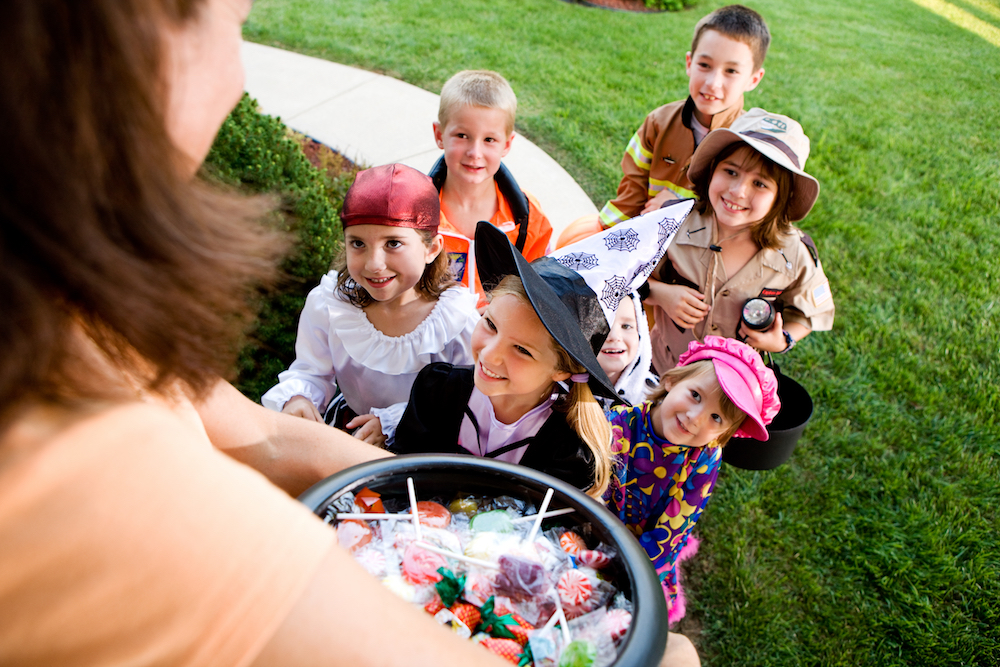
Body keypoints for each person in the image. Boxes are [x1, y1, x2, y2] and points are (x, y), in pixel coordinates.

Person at [0, 1, 509, 665]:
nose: (238, 81)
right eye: (235, 20)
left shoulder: (61, 307)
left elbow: (260, 434)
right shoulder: (87, 470)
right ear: (138, 43)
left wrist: (447, 510)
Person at [391, 201, 693, 498]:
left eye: (522, 349)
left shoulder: (570, 451)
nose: (491, 354)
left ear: (564, 368)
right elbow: (398, 483)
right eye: (491, 325)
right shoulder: (437, 390)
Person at [261, 164, 479, 445]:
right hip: (351, 432)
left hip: (424, 447)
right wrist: (299, 396)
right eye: (358, 244)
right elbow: (311, 371)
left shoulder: (456, 321)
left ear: (431, 249)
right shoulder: (330, 305)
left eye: (393, 243)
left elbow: (468, 403)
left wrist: (397, 420)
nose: (375, 264)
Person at [557, 4, 769, 246]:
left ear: (753, 79)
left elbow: (738, 215)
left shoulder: (748, 143)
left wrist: (674, 207)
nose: (713, 83)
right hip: (647, 237)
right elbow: (633, 186)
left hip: (700, 254)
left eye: (731, 71)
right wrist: (609, 237)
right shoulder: (659, 123)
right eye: (704, 65)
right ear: (689, 63)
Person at [603, 336, 780, 624]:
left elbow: (675, 525)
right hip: (598, 527)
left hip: (648, 547)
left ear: (724, 435)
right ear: (672, 380)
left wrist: (631, 573)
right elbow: (590, 489)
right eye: (695, 395)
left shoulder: (705, 458)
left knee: (630, 613)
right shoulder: (618, 424)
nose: (696, 418)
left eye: (716, 418)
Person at [644, 108, 835, 372]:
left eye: (760, 184)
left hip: (728, 387)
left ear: (781, 197)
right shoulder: (673, 222)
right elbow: (625, 278)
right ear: (712, 170)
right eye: (731, 172)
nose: (738, 191)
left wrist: (782, 340)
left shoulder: (794, 254)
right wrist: (661, 294)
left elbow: (808, 313)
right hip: (660, 365)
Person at [428, 69, 553, 308]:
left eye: (489, 140)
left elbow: (540, 289)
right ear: (439, 134)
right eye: (462, 135)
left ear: (506, 144)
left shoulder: (528, 220)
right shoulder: (412, 214)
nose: (475, 153)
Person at [597, 291, 659, 408]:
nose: (614, 337)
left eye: (626, 326)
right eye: (601, 325)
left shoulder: (655, 398)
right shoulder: (558, 395)